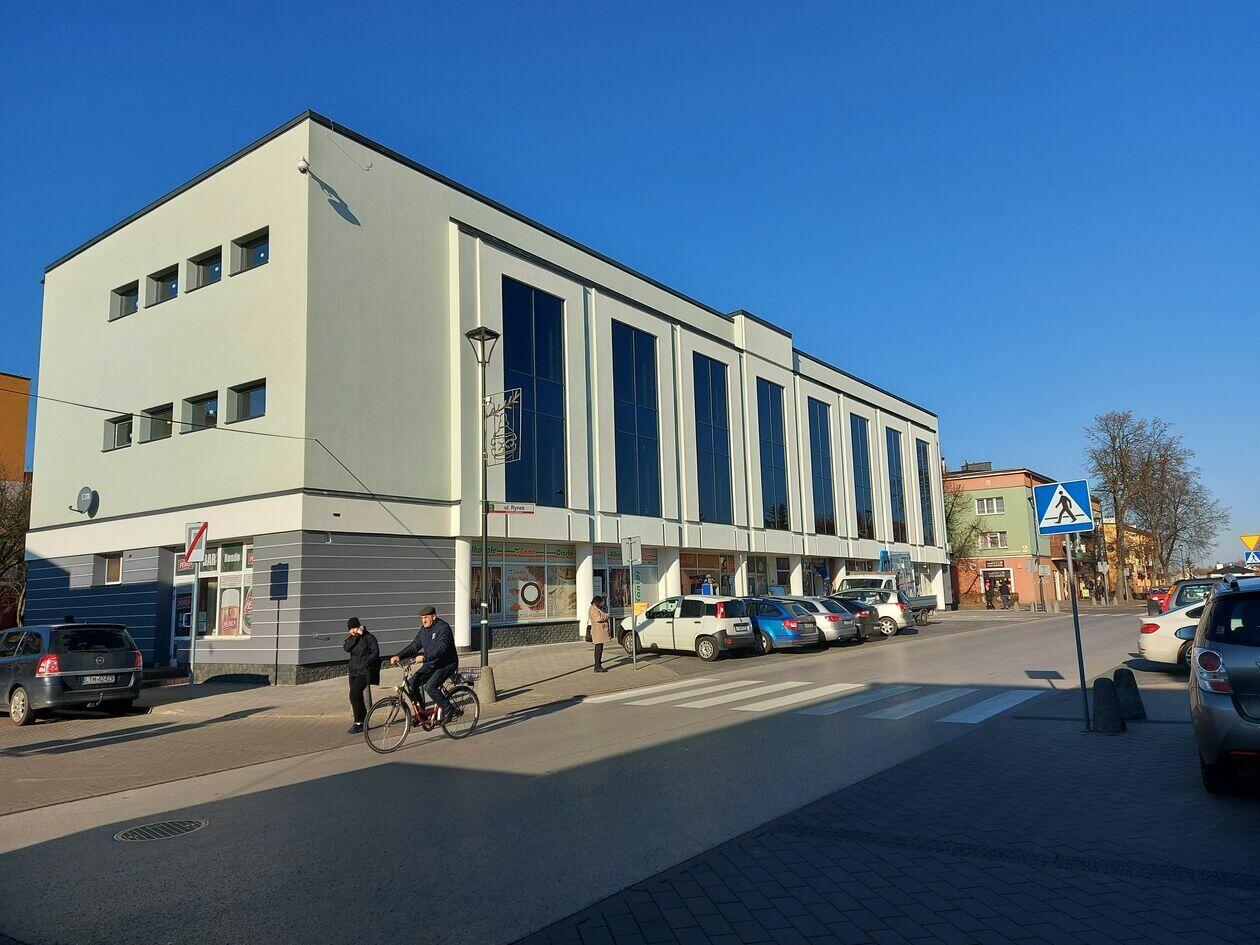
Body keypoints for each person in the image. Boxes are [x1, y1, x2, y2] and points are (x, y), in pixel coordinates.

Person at [390, 606, 458, 722]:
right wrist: (399, 656)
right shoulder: (423, 630)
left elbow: (441, 647)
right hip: (431, 664)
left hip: (446, 664)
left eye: (425, 617)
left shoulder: (443, 628)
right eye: (422, 618)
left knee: (430, 687)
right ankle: (422, 714)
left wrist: (425, 657)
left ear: (433, 616)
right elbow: (414, 646)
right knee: (412, 683)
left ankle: (449, 709)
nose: (423, 621)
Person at [343, 617, 380, 735]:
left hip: (364, 671)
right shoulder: (352, 638)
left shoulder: (369, 637)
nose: (352, 631)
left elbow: (375, 652)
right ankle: (362, 722)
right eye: (350, 629)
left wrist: (366, 662)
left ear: (359, 626)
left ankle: (359, 722)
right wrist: (356, 636)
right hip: (353, 671)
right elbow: (346, 648)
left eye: (354, 628)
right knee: (357, 697)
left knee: (353, 694)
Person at [589, 595, 612, 673]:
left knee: (600, 649)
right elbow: (598, 618)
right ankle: (597, 666)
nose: (602, 603)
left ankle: (598, 665)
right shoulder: (593, 609)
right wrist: (607, 615)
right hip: (598, 632)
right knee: (598, 649)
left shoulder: (597, 608)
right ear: (597, 601)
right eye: (601, 602)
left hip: (600, 631)